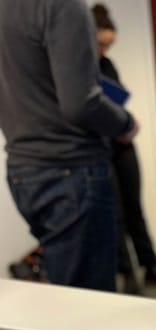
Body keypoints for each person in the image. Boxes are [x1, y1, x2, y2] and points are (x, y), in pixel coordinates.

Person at [0, 0, 138, 292]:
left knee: (66, 295)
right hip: (71, 172)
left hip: (22, 170)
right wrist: (126, 123)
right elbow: (82, 103)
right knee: (89, 304)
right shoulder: (63, 6)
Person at [91, 3, 156, 292]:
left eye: (109, 44)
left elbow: (116, 103)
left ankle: (151, 266)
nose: (105, 50)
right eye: (101, 44)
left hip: (123, 146)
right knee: (114, 214)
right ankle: (128, 274)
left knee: (134, 208)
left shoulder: (107, 65)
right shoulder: (77, 68)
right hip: (99, 150)